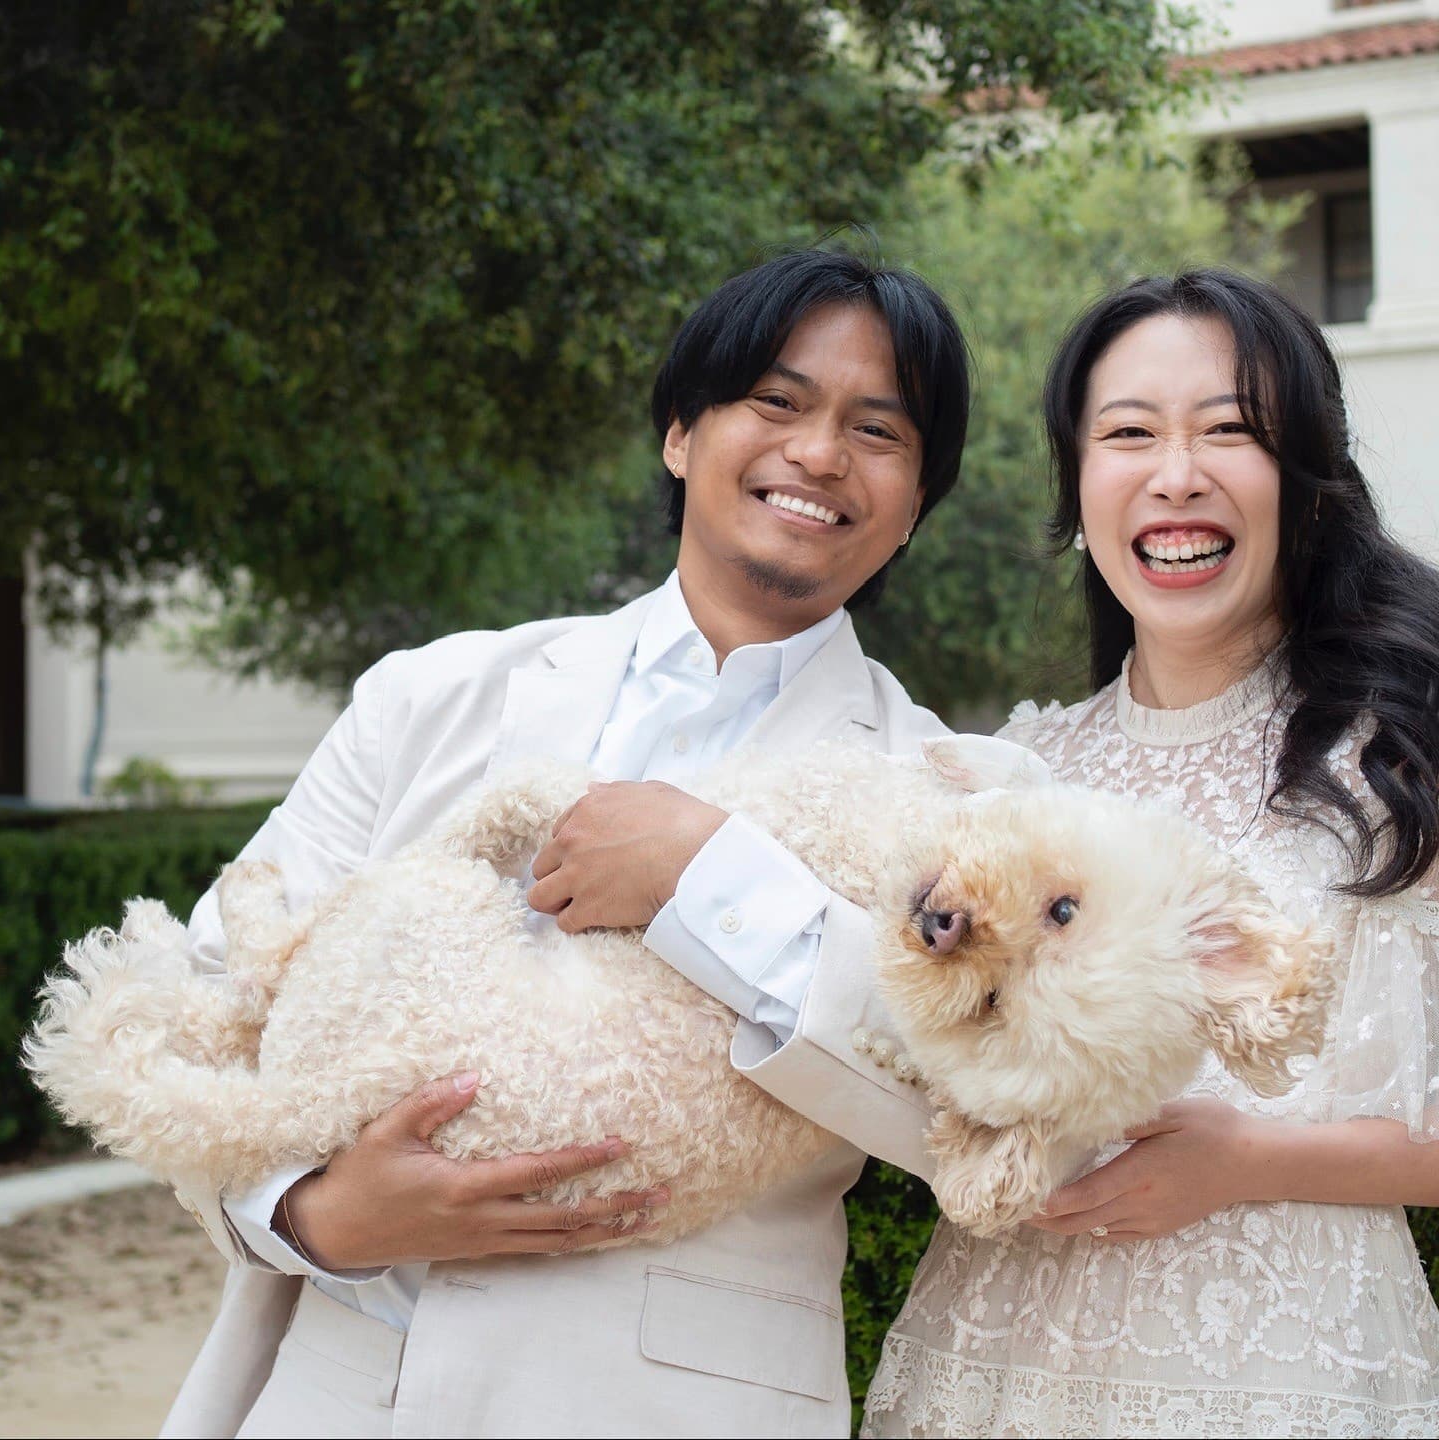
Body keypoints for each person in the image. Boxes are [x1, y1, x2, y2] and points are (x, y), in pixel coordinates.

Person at [160, 247, 971, 1440]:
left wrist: (712, 880)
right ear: (682, 434)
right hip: (334, 1393)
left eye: (878, 430)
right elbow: (207, 1006)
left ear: (912, 507)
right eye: (777, 401)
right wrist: (320, 1215)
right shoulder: (428, 696)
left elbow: (960, 1105)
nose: (819, 453)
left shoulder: (944, 791)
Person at [857, 270, 1439, 1437]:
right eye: (1129, 434)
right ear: (1080, 486)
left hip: (1283, 1372)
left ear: (1309, 483)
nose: (1178, 473)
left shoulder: (1403, 760)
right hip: (994, 1367)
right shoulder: (1013, 778)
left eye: (1231, 430)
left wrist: (1250, 1161)